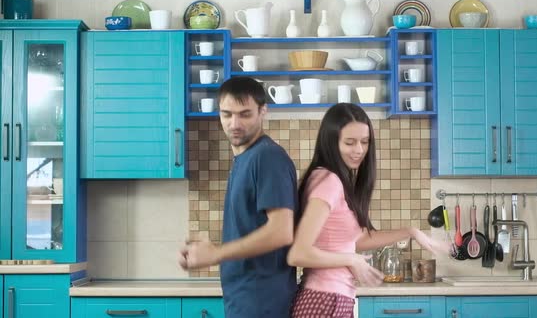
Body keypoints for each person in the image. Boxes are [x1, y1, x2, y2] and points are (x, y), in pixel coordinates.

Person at [287, 103, 448, 318]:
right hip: (324, 301)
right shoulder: (329, 181)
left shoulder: (334, 180)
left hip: (332, 299)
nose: (359, 150)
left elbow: (358, 240)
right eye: (349, 142)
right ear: (331, 142)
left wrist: (412, 232)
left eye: (364, 142)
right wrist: (352, 259)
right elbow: (298, 254)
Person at [179, 77, 298, 318]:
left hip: (262, 303)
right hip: (245, 300)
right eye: (227, 114)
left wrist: (215, 253)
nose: (234, 124)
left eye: (245, 114)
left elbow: (281, 231)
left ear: (263, 111)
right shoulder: (245, 159)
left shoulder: (267, 158)